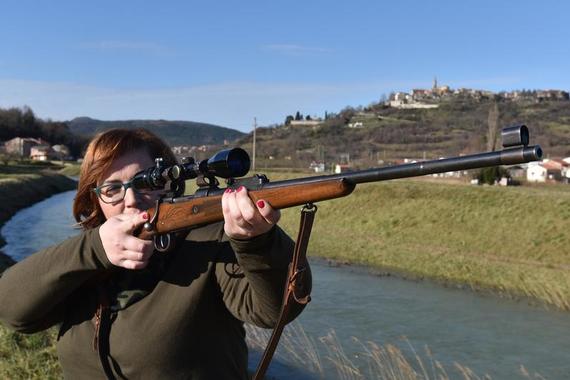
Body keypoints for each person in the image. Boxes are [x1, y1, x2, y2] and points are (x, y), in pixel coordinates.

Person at [0, 128, 311, 379]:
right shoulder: (87, 258)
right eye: (112, 189)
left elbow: (274, 311)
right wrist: (93, 250)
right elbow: (13, 313)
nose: (132, 199)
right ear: (95, 200)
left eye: (145, 181)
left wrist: (257, 241)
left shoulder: (213, 237)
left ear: (171, 183)